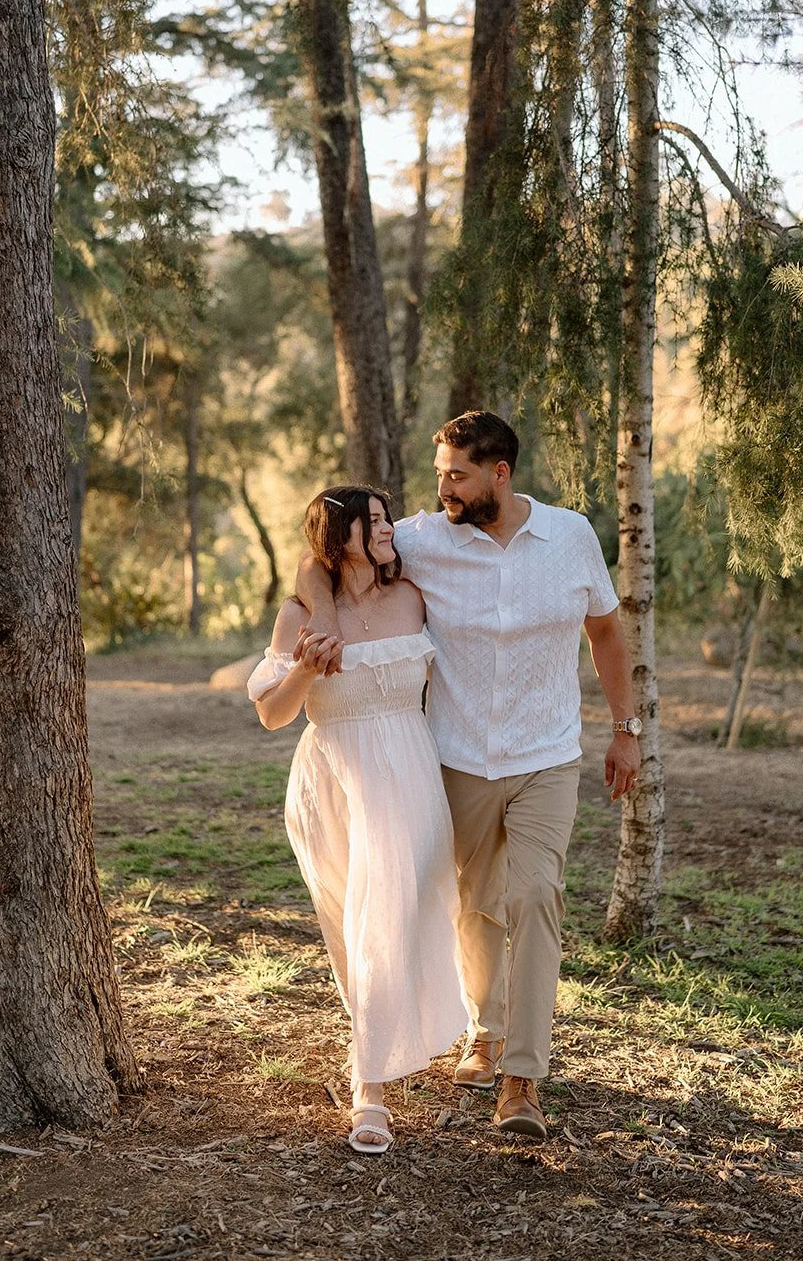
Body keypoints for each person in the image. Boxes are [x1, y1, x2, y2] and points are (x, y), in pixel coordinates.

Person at [297, 411, 642, 1143]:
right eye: (440, 475)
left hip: (546, 754)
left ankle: (521, 1079)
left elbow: (605, 629)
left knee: (534, 894)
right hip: (454, 757)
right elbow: (320, 560)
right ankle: (482, 1031)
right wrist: (321, 629)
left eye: (456, 475)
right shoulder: (422, 539)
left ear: (500, 474)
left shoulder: (569, 536)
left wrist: (625, 729)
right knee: (473, 905)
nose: (443, 488)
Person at [247, 485, 466, 1155]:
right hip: (334, 776)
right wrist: (307, 671)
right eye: (369, 521)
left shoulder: (414, 596)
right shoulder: (301, 615)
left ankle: (367, 1082)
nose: (385, 528)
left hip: (410, 767)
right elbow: (272, 714)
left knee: (395, 913)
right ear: (334, 535)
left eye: (385, 517)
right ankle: (372, 1062)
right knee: (354, 927)